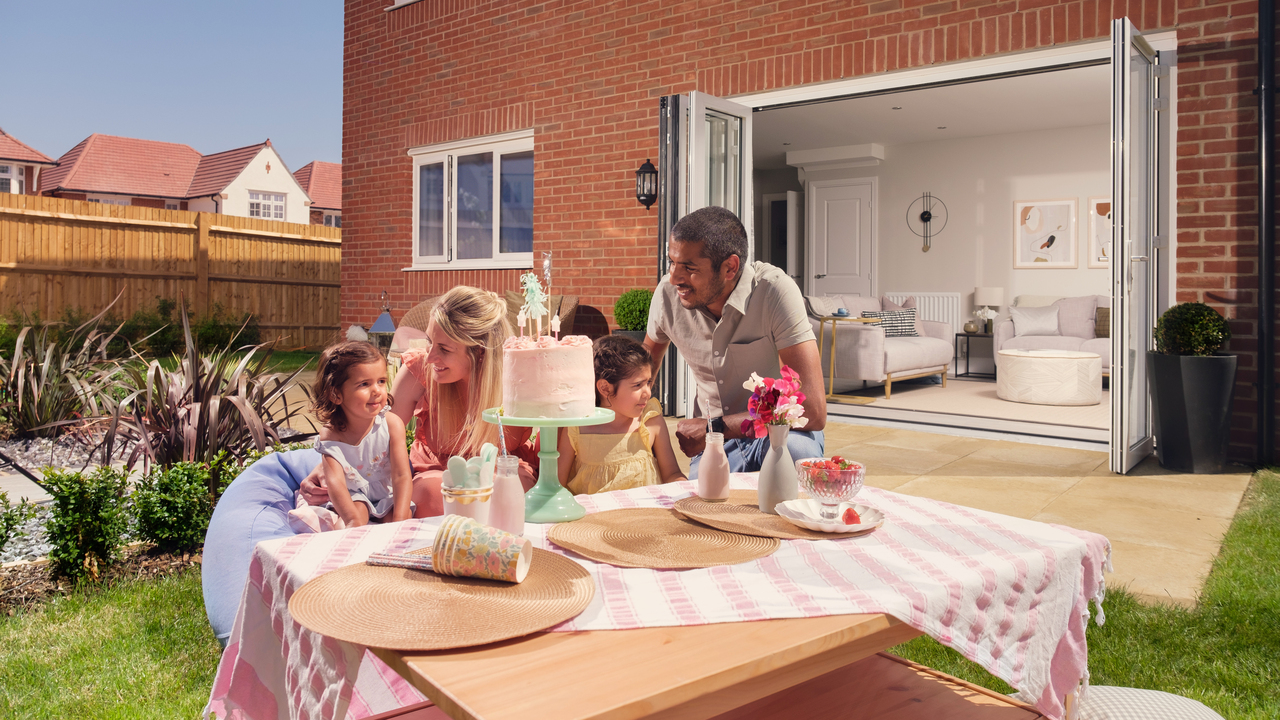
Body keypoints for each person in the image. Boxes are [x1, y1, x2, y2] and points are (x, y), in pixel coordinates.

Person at [300, 287, 537, 516]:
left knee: (509, 492)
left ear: (480, 352)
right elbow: (374, 433)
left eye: (443, 348)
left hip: (500, 470)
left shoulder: (519, 378)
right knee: (437, 496)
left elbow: (553, 440)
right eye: (429, 341)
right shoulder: (419, 371)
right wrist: (329, 465)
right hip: (436, 474)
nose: (431, 356)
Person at [642, 205, 827, 477]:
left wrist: (715, 426)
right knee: (706, 509)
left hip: (778, 433)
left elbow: (812, 408)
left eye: (689, 268)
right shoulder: (667, 295)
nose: (674, 278)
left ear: (730, 268)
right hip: (715, 444)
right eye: (672, 262)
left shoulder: (775, 292)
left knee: (797, 459)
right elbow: (642, 370)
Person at [556, 335, 686, 494]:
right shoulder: (576, 427)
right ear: (605, 388)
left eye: (648, 382)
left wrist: (684, 487)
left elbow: (672, 473)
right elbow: (557, 485)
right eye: (638, 385)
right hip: (594, 516)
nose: (647, 392)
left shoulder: (651, 420)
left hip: (644, 514)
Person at [305, 341, 413, 527]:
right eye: (364, 384)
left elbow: (401, 475)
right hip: (354, 495)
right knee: (358, 515)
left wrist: (400, 521)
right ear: (336, 394)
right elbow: (336, 483)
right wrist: (352, 520)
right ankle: (339, 539)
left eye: (381, 381)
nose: (377, 391)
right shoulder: (331, 436)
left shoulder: (392, 424)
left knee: (398, 515)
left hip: (387, 494)